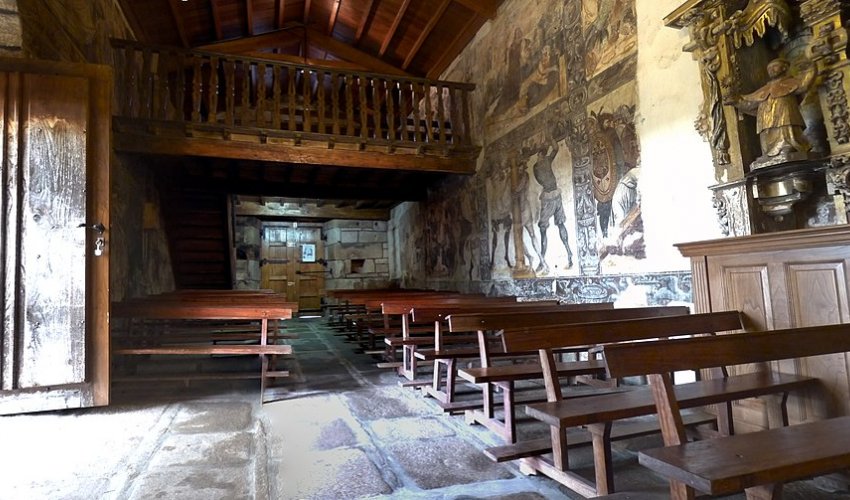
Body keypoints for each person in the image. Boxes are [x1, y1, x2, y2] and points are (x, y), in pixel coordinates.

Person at [734, 58, 816, 159]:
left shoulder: (792, 82)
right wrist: (735, 101)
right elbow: (750, 103)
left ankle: (788, 146)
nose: (771, 70)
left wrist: (810, 68)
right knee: (767, 138)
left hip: (785, 116)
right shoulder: (764, 89)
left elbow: (804, 84)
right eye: (769, 68)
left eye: (775, 66)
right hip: (766, 121)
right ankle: (769, 152)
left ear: (784, 68)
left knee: (785, 132)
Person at [532, 139, 574, 268]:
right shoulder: (547, 160)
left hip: (548, 198)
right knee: (560, 224)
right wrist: (550, 138)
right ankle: (569, 253)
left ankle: (542, 260)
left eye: (538, 154)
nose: (538, 156)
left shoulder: (537, 166)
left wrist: (548, 138)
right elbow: (556, 148)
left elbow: (539, 179)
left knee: (543, 229)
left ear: (539, 154)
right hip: (556, 194)